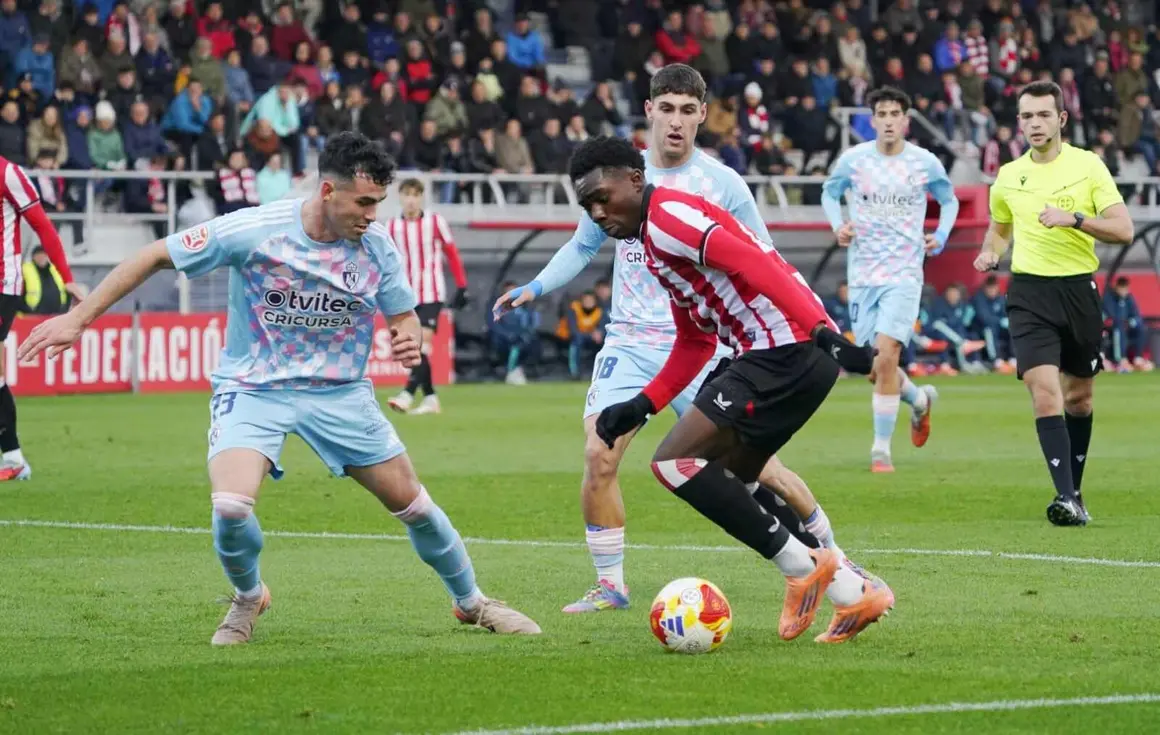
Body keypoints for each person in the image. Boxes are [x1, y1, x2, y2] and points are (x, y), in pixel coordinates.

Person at [17, 132, 540, 644]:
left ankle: (472, 603)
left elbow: (404, 315)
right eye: (364, 202)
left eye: (379, 202)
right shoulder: (256, 229)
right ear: (328, 192)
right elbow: (154, 255)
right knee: (230, 506)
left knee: (415, 505)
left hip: (339, 392)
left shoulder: (377, 247)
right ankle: (248, 597)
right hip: (255, 388)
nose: (372, 215)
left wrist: (408, 340)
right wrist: (80, 318)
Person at [493, 65, 877, 616]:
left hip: (730, 344)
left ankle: (834, 564)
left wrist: (818, 331)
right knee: (600, 453)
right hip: (639, 339)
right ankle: (610, 584)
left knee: (751, 471)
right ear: (648, 111)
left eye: (686, 111)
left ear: (701, 115)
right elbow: (582, 249)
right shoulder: (612, 188)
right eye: (665, 109)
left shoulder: (714, 187)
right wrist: (534, 287)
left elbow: (759, 260)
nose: (675, 122)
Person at [572, 135, 891, 644]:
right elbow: (695, 342)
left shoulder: (671, 216)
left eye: (601, 197)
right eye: (586, 205)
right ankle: (854, 594)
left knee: (674, 464)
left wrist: (828, 337)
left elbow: (753, 263)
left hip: (783, 351)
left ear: (635, 180)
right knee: (736, 479)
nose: (596, 213)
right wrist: (640, 405)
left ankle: (800, 566)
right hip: (785, 355)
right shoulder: (652, 244)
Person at [975, 81, 1135, 526]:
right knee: (1043, 392)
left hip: (1078, 291)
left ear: (1061, 119)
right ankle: (1065, 497)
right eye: (1027, 116)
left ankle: (1076, 493)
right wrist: (992, 250)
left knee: (1078, 399)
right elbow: (1001, 226)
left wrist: (1075, 219)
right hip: (1028, 292)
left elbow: (1124, 230)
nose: (1034, 123)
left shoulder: (1088, 166)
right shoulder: (1008, 175)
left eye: (1043, 115)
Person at [822, 86, 960, 473]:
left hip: (904, 271)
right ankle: (918, 400)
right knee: (872, 366)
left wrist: (942, 234)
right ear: (873, 120)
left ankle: (880, 450)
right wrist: (838, 226)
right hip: (863, 274)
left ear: (905, 120)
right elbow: (829, 194)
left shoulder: (925, 163)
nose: (887, 121)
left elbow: (948, 200)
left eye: (894, 114)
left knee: (887, 354)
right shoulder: (853, 161)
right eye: (881, 114)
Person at [0, 154, 85, 481]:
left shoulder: (8, 173)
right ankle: (13, 457)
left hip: (3, 284)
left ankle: (13, 457)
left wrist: (66, 277)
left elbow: (42, 225)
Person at [385, 178, 469, 416]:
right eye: (406, 195)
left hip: (431, 293)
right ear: (400, 198)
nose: (411, 200)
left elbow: (451, 253)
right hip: (405, 296)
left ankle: (408, 393)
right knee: (415, 347)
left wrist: (462, 285)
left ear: (421, 198)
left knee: (420, 345)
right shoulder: (391, 227)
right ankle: (430, 397)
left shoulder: (435, 221)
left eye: (415, 195)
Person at [1102, 276, 1152, 372]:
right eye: (1121, 288)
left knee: (1141, 327)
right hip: (1111, 327)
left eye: (1125, 289)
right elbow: (1110, 315)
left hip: (1126, 326)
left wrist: (1131, 322)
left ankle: (1138, 358)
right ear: (1116, 287)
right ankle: (1121, 359)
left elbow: (1136, 314)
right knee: (1119, 328)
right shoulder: (1109, 297)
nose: (1123, 291)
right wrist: (1122, 321)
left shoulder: (1129, 298)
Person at [971, 274, 1015, 373]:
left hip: (998, 328)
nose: (992, 291)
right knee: (989, 330)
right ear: (985, 288)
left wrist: (1006, 320)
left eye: (994, 288)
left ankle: (1013, 360)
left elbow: (1006, 313)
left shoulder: (1000, 298)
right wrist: (1000, 321)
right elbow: (984, 318)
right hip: (980, 330)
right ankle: (997, 361)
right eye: (990, 288)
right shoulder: (979, 299)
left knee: (1013, 328)